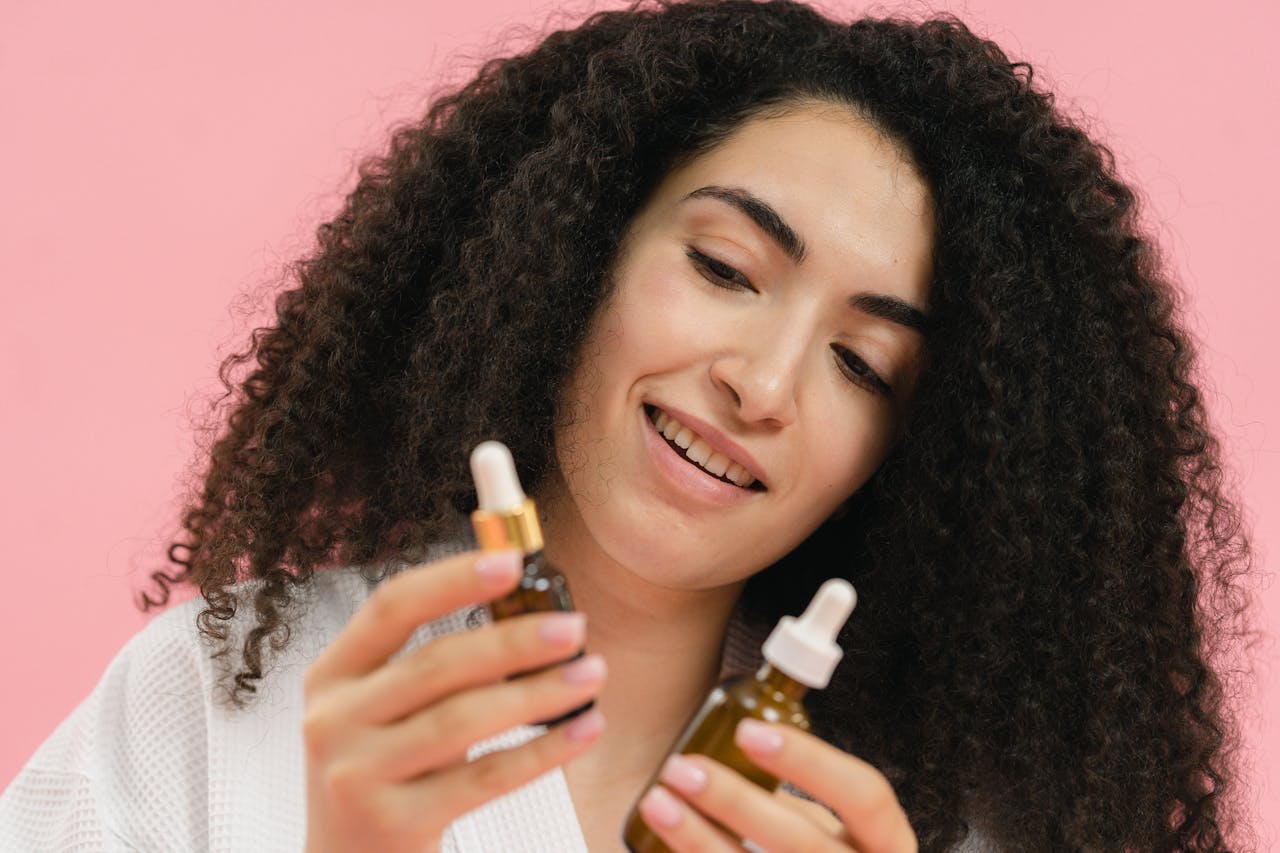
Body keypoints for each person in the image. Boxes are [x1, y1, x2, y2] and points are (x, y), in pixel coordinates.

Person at [0, 0, 1254, 850]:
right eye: (723, 267)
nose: (761, 383)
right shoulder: (216, 700)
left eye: (863, 365)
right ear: (573, 253)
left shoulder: (944, 821)